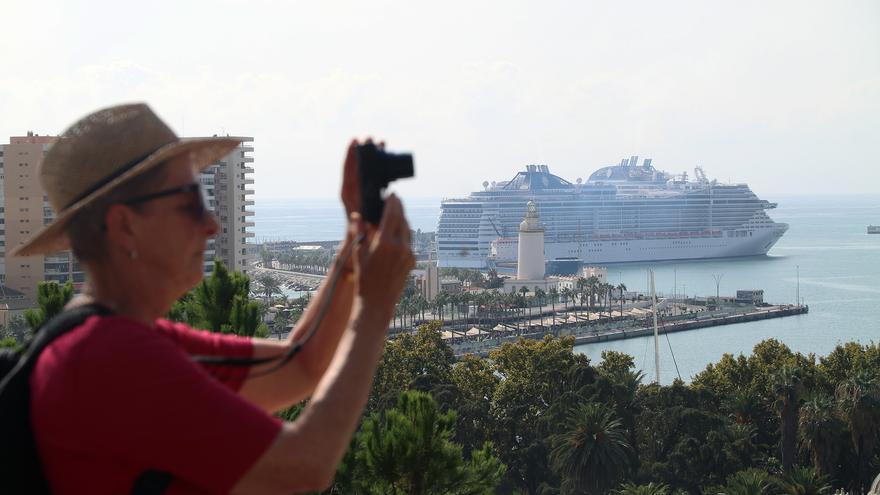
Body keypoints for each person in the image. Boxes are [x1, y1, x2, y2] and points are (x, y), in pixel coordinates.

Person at [13, 103, 415, 494]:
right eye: (192, 203)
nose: (212, 224)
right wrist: (375, 307)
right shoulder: (108, 357)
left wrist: (355, 241)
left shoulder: (114, 343)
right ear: (124, 225)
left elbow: (300, 365)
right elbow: (304, 466)